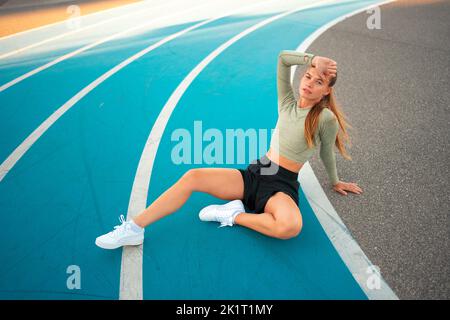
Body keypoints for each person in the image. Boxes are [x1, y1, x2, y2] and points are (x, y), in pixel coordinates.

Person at [95, 50, 363, 249]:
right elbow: (283, 59)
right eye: (308, 76)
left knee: (290, 226)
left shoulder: (325, 118)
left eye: (319, 82)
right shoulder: (287, 102)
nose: (309, 83)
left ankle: (234, 215)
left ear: (326, 92)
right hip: (258, 171)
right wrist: (312, 58)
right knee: (193, 177)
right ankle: (134, 228)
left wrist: (335, 181)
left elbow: (327, 151)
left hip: (281, 185)